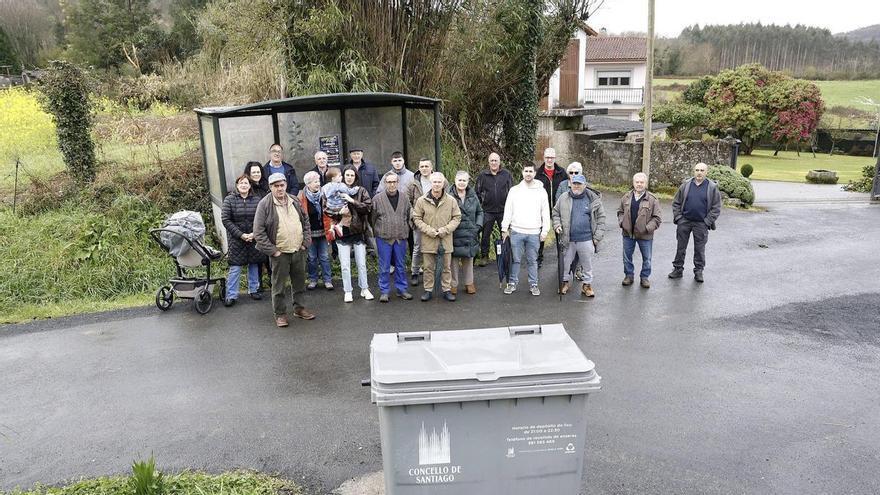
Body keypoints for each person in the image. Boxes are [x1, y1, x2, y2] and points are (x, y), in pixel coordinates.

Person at [252, 172, 316, 327]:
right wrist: (273, 251)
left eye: (282, 185)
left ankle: (299, 309)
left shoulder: (295, 200)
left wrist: (305, 243)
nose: (280, 188)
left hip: (298, 249)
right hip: (279, 253)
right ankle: (280, 314)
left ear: (286, 185)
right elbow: (258, 232)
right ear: (270, 187)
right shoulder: (264, 204)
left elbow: (306, 221)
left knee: (299, 282)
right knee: (278, 286)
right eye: (276, 186)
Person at [501, 164, 551, 296]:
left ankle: (534, 285)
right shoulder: (514, 190)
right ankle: (512, 283)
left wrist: (545, 230)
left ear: (534, 173)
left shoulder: (541, 191)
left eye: (530, 171)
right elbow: (508, 210)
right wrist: (504, 228)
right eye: (526, 171)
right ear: (522, 172)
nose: (528, 173)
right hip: (516, 231)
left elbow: (545, 212)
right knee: (515, 260)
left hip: (534, 232)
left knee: (532, 260)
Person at [552, 174, 606, 298]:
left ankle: (587, 285)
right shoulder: (563, 197)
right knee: (565, 263)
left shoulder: (593, 199)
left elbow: (601, 218)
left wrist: (597, 238)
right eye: (574, 183)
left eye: (579, 184)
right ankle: (564, 283)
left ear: (584, 185)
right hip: (567, 239)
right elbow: (555, 213)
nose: (576, 186)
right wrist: (557, 225)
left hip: (587, 239)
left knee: (587, 264)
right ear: (570, 184)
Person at [412, 171, 461, 302]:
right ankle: (428, 290)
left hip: (445, 239)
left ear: (443, 183)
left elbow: (457, 217)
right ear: (431, 183)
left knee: (446, 267)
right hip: (428, 239)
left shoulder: (451, 200)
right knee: (428, 267)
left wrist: (445, 230)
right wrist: (428, 230)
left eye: (439, 182)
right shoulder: (422, 200)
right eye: (434, 182)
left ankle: (446, 290)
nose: (437, 184)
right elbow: (416, 218)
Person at [669, 162, 722, 283]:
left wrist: (707, 221)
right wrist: (679, 218)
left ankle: (698, 271)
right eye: (697, 170)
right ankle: (677, 269)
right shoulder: (686, 185)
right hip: (684, 221)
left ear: (706, 172)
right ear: (694, 171)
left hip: (701, 224)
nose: (699, 173)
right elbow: (676, 202)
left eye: (702, 170)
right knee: (680, 247)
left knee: (699, 249)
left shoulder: (712, 187)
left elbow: (716, 207)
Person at [221, 174, 267, 306]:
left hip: (253, 238)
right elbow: (226, 219)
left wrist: (254, 234)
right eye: (241, 183)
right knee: (235, 267)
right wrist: (241, 235)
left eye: (246, 183)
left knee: (254, 264)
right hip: (236, 239)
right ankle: (231, 295)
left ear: (250, 185)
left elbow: (262, 218)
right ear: (237, 185)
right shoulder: (229, 200)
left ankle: (254, 290)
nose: (243, 185)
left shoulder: (257, 200)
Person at [330, 167, 374, 302]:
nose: (349, 177)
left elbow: (368, 207)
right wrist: (339, 212)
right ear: (343, 176)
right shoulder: (335, 190)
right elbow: (327, 209)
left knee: (361, 264)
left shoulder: (361, 191)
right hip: (342, 232)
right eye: (347, 175)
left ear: (356, 177)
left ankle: (364, 288)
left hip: (358, 231)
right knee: (345, 266)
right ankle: (348, 291)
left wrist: (352, 200)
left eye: (352, 175)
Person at [371, 173, 414, 302]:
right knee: (384, 266)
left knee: (400, 265)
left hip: (400, 238)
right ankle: (384, 291)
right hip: (383, 238)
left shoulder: (404, 198)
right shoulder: (377, 199)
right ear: (385, 183)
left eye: (394, 182)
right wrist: (378, 231)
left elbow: (409, 215)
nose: (392, 184)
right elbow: (372, 218)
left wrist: (407, 228)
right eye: (389, 182)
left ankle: (402, 289)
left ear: (398, 182)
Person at [618, 172, 662, 288]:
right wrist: (622, 222)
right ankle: (629, 276)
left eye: (641, 182)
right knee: (627, 257)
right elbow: (620, 212)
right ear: (633, 183)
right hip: (628, 234)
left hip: (645, 235)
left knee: (647, 258)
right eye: (637, 182)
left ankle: (644, 277)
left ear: (646, 184)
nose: (639, 184)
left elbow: (657, 218)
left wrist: (647, 229)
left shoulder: (652, 199)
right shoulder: (626, 197)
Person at [449, 171, 483, 295]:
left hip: (470, 233)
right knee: (453, 261)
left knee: (468, 259)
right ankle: (453, 284)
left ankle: (469, 283)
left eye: (464, 180)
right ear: (455, 180)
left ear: (468, 182)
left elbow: (480, 212)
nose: (462, 183)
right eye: (460, 180)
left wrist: (478, 226)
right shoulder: (449, 196)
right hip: (454, 233)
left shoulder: (473, 195)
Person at [475, 152, 512, 267]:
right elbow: (477, 192)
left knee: (505, 234)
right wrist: (481, 206)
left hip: (503, 210)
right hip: (487, 210)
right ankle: (484, 256)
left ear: (499, 162)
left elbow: (511, 191)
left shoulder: (506, 174)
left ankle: (507, 255)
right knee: (485, 235)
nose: (494, 163)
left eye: (496, 160)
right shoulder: (483, 175)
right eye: (492, 160)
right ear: (489, 162)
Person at [298, 171, 334, 291]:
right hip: (310, 234)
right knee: (312, 258)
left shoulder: (324, 194)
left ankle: (327, 280)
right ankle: (313, 280)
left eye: (318, 181)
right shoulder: (301, 197)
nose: (318, 184)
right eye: (315, 182)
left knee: (324, 257)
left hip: (323, 232)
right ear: (308, 184)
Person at [535, 147, 567, 267]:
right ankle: (538, 258)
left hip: (558, 209)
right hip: (542, 209)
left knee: (560, 233)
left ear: (555, 158)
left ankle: (561, 258)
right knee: (540, 233)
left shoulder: (562, 172)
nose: (549, 160)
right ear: (544, 158)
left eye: (551, 157)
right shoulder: (538, 174)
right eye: (547, 157)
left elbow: (566, 188)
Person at [406, 158, 435, 285]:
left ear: (431, 167)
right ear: (419, 168)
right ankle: (415, 272)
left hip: (434, 220)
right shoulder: (413, 183)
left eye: (426, 166)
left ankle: (433, 272)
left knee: (434, 247)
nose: (424, 168)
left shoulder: (439, 180)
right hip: (418, 220)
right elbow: (408, 201)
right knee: (417, 247)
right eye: (422, 166)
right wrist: (414, 215)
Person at [321, 167, 360, 238]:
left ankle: (332, 228)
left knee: (333, 219)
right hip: (340, 206)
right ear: (333, 178)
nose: (341, 177)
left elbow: (321, 193)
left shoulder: (325, 186)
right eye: (339, 176)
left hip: (330, 206)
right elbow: (349, 191)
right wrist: (356, 189)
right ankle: (339, 226)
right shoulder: (340, 185)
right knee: (348, 216)